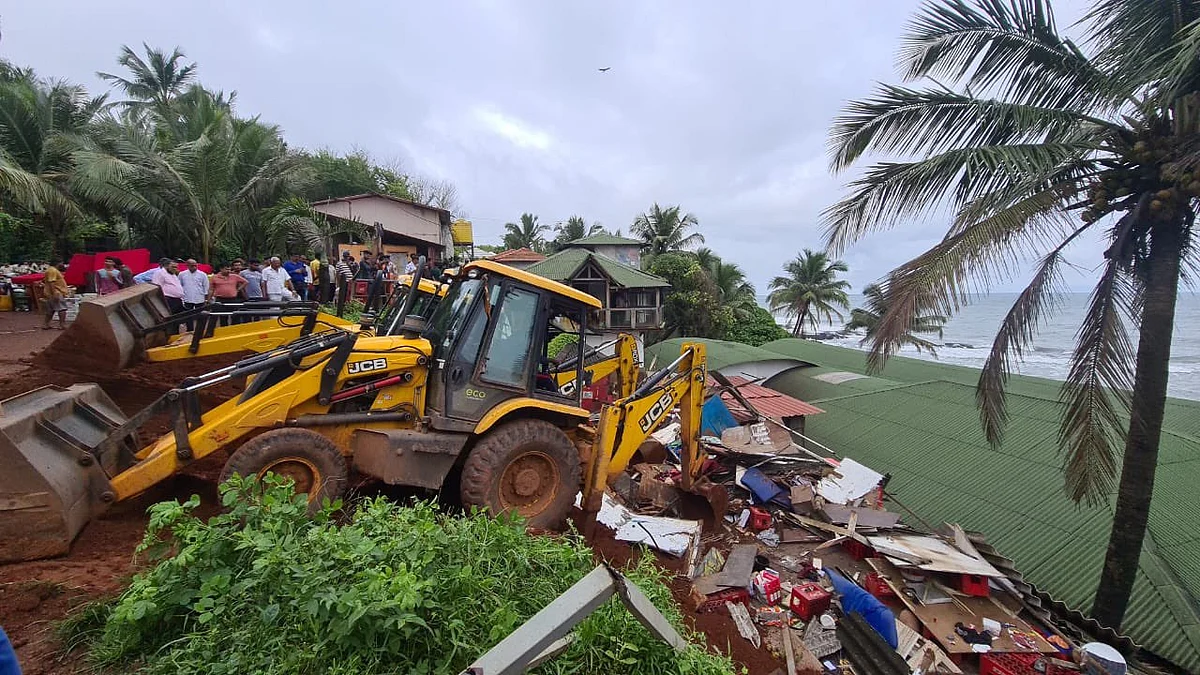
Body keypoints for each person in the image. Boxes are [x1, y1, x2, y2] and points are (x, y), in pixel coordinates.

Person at [177, 258, 210, 331]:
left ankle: (200, 330)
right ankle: (190, 330)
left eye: (195, 265)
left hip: (200, 298)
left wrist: (206, 298)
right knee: (188, 315)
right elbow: (179, 285)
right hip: (187, 298)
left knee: (200, 315)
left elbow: (206, 286)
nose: (194, 267)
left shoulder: (202, 274)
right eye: (192, 266)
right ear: (187, 266)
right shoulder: (182, 274)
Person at [40, 260, 70, 330]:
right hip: (56, 292)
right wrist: (54, 293)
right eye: (61, 263)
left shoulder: (50, 270)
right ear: (58, 263)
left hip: (50, 293)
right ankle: (62, 324)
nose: (62, 265)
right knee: (62, 309)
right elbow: (51, 282)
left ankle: (46, 324)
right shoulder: (53, 271)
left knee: (51, 310)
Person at [334, 251, 355, 317]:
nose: (347, 258)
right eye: (346, 257)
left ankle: (347, 307)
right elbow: (337, 274)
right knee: (343, 296)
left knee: (348, 296)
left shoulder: (348, 264)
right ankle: (342, 308)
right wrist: (339, 283)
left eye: (348, 257)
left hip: (350, 281)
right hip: (344, 282)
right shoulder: (339, 264)